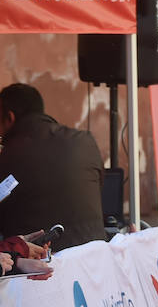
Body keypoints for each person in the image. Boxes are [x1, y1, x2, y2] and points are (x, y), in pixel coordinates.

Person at [0, 83, 105, 250]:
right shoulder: (85, 141)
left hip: (39, 265)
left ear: (9, 118)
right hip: (93, 258)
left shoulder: (8, 156)